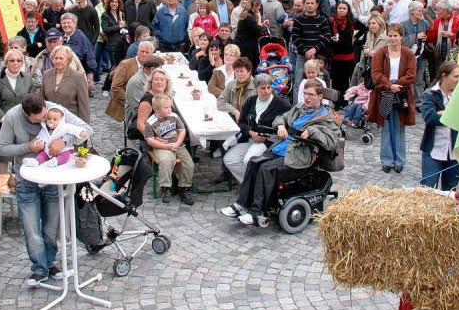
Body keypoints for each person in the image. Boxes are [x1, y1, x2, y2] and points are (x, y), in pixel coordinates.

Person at [220, 82, 340, 227]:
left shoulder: (326, 117)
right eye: (305, 94)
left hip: (300, 155)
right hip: (282, 148)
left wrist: (312, 132)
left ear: (320, 96)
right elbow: (280, 118)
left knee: (266, 169)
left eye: (311, 95)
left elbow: (332, 141)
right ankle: (241, 205)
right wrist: (281, 125)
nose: (307, 98)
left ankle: (257, 212)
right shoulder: (298, 108)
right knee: (253, 162)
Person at [0, 96, 89, 286]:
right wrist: (28, 147)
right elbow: (3, 149)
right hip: (27, 180)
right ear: (26, 114)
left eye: (45, 117)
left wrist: (64, 141)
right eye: (38, 120)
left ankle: (50, 263)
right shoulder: (12, 117)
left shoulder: (54, 110)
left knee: (51, 228)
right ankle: (39, 268)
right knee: (32, 230)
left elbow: (86, 130)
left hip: (51, 179)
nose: (44, 122)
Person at [367, 24, 417, 174]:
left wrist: (398, 85)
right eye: (390, 35)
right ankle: (387, 160)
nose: (393, 38)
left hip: (402, 92)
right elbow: (376, 74)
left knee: (399, 127)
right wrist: (389, 85)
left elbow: (411, 74)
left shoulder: (408, 53)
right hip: (385, 93)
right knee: (386, 127)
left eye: (395, 35)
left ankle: (400, 160)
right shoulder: (380, 53)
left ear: (401, 37)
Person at [224, 74, 291, 182]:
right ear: (256, 88)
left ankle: (254, 188)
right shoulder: (250, 101)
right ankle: (250, 185)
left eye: (269, 87)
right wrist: (250, 132)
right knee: (230, 160)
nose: (267, 91)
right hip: (250, 139)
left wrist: (279, 130)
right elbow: (241, 123)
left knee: (248, 160)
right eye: (263, 88)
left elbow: (289, 122)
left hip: (269, 142)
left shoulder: (281, 103)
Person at [0, 49, 33, 173]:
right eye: (12, 60)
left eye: (19, 60)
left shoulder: (27, 78)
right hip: (3, 124)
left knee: (23, 157)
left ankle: (22, 185)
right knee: (4, 158)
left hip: (23, 124)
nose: (15, 63)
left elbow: (32, 100)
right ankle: (2, 187)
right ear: (6, 63)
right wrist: (4, 118)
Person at [143, 94, 195, 205]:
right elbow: (150, 140)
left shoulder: (174, 116)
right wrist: (166, 146)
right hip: (162, 147)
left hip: (177, 144)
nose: (169, 109)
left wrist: (178, 143)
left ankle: (184, 188)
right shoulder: (150, 122)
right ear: (156, 109)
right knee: (166, 161)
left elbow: (182, 130)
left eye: (170, 107)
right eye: (166, 108)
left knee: (188, 164)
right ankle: (165, 188)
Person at [420, 62, 459, 191]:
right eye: (456, 76)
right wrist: (453, 115)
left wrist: (444, 114)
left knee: (451, 190)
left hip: (455, 152)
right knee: (428, 190)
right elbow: (430, 118)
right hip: (433, 150)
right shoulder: (430, 94)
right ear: (444, 76)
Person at [107, 39, 155, 122]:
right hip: (128, 106)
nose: (144, 54)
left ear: (152, 54)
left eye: (147, 53)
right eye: (142, 51)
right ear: (137, 51)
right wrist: (131, 101)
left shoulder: (152, 66)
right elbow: (115, 87)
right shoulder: (125, 65)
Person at [41, 45, 92, 122]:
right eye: (56, 58)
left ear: (68, 60)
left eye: (61, 58)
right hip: (50, 121)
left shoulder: (78, 77)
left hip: (70, 121)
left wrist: (85, 126)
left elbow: (84, 104)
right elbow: (42, 99)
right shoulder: (46, 74)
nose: (58, 61)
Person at [291, 0, 330, 85]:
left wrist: (314, 49)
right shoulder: (298, 20)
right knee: (298, 83)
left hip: (318, 57)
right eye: (307, 3)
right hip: (302, 56)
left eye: (312, 3)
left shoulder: (322, 20)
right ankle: (298, 100)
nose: (310, 5)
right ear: (304, 4)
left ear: (316, 5)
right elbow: (295, 38)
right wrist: (306, 51)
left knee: (319, 83)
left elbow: (327, 37)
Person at [329, 1, 364, 94]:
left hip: (349, 55)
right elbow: (326, 34)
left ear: (348, 10)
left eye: (344, 8)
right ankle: (337, 102)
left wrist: (355, 38)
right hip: (335, 55)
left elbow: (364, 28)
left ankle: (346, 101)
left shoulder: (352, 21)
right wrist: (331, 38)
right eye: (340, 8)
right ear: (336, 9)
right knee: (336, 80)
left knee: (347, 80)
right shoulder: (331, 21)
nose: (342, 10)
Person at [400, 2, 430, 103]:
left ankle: (418, 101)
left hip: (420, 54)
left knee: (419, 78)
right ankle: (407, 100)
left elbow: (428, 35)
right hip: (408, 55)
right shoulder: (403, 24)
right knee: (408, 77)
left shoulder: (424, 23)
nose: (421, 13)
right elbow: (402, 40)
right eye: (419, 10)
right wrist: (415, 37)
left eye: (422, 10)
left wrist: (425, 38)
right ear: (412, 11)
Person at [60, 13, 97, 90]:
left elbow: (90, 58)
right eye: (64, 23)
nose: (66, 25)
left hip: (77, 77)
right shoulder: (60, 37)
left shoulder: (81, 38)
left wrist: (89, 80)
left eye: (68, 23)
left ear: (75, 24)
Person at [99, 0, 129, 87]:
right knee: (114, 66)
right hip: (112, 44)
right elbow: (106, 29)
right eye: (112, 2)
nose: (114, 4)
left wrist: (124, 27)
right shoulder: (105, 15)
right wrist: (118, 27)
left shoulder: (121, 14)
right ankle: (106, 87)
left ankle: (117, 85)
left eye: (116, 2)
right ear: (109, 3)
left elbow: (125, 27)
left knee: (120, 66)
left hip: (122, 43)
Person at [427, 0, 459, 65]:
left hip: (454, 55)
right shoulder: (437, 21)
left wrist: (451, 35)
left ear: (446, 10)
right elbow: (431, 38)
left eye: (439, 10)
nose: (437, 13)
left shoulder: (458, 20)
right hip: (439, 55)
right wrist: (431, 27)